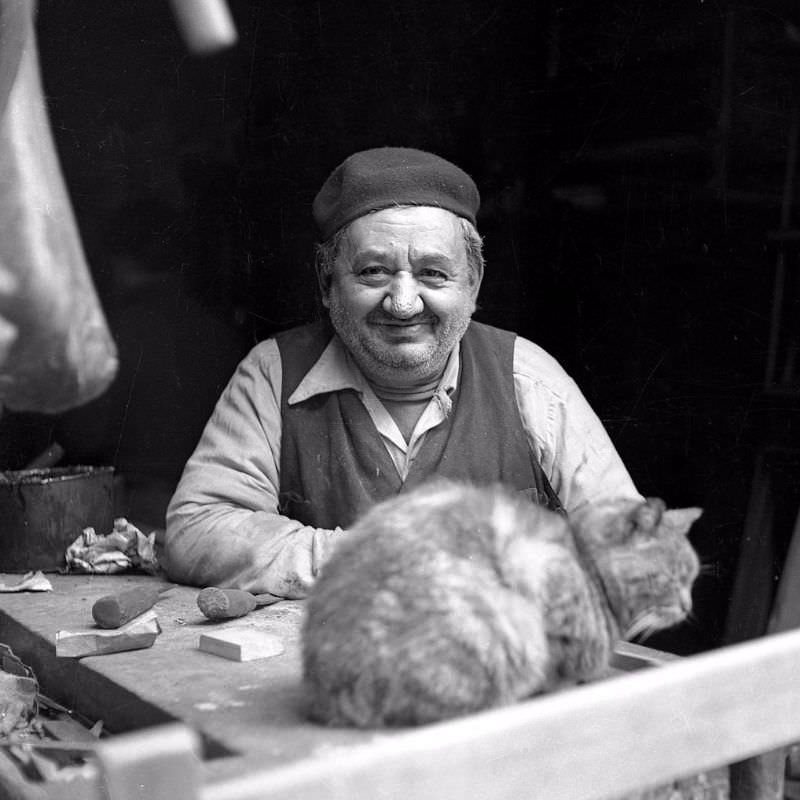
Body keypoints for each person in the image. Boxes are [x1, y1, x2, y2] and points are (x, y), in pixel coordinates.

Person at [164, 146, 642, 597]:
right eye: (373, 271)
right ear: (327, 283)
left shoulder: (528, 377)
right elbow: (197, 529)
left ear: (472, 285)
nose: (403, 302)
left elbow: (632, 550)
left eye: (434, 273)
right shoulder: (274, 372)